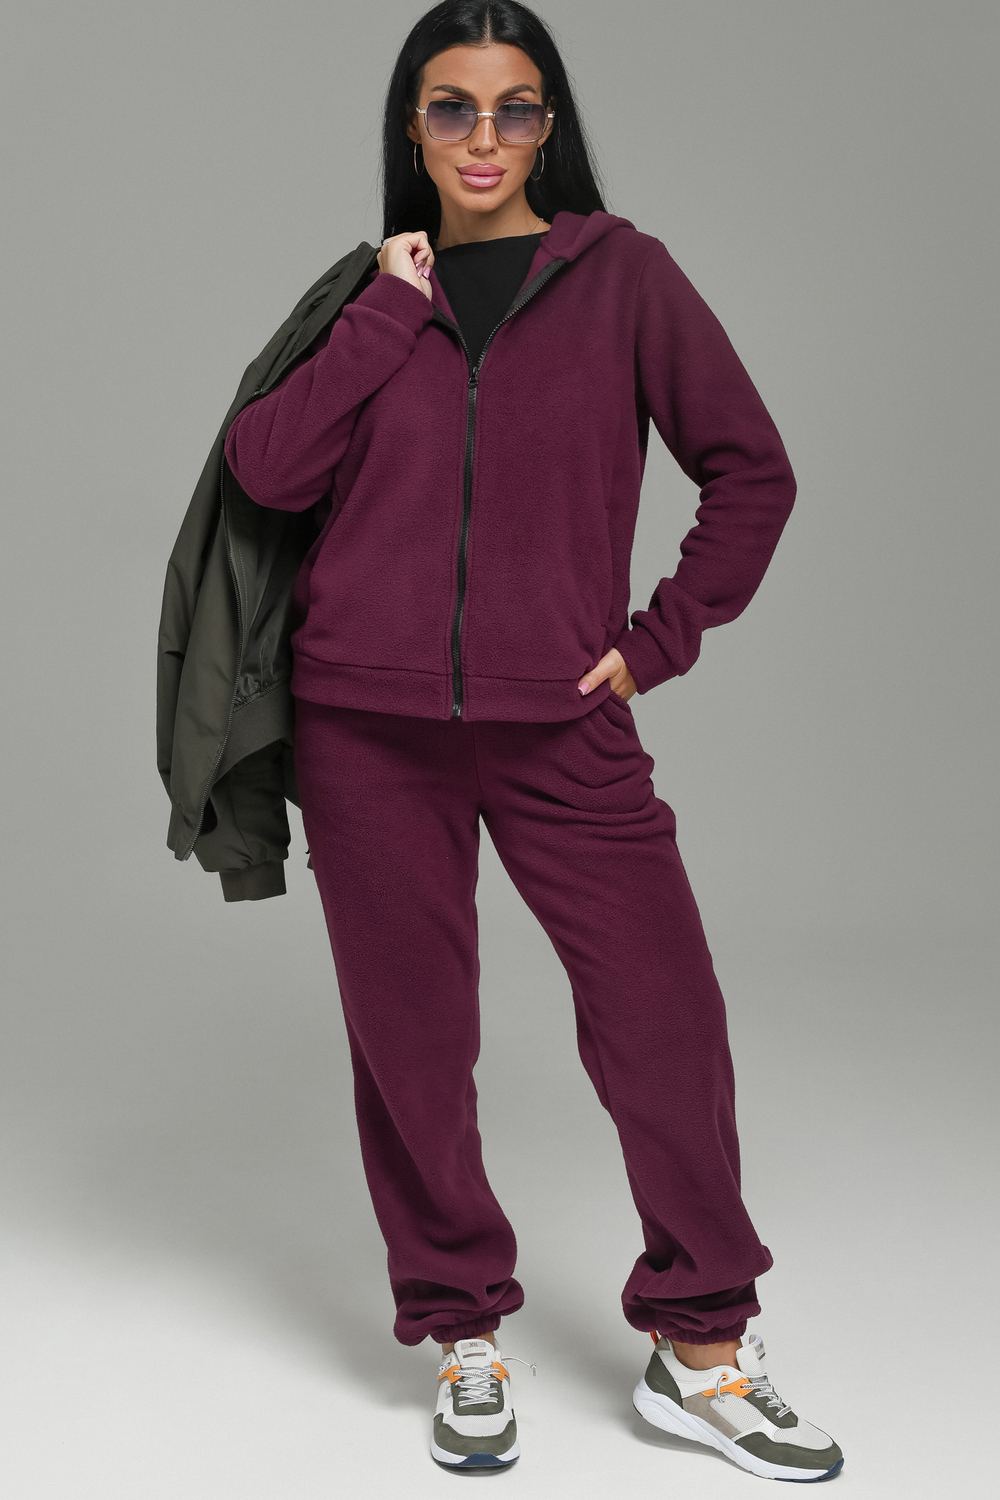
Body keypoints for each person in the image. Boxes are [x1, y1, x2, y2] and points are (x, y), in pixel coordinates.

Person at [221, 0, 843, 1482]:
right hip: (363, 728)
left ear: (549, 124)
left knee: (664, 1021)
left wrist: (660, 638)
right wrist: (386, 312)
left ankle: (702, 1344)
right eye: (453, 107)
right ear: (414, 126)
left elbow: (752, 471)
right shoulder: (372, 293)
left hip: (563, 725)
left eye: (513, 107)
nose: (484, 136)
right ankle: (460, 1327)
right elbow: (267, 469)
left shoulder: (625, 277)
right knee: (413, 1045)